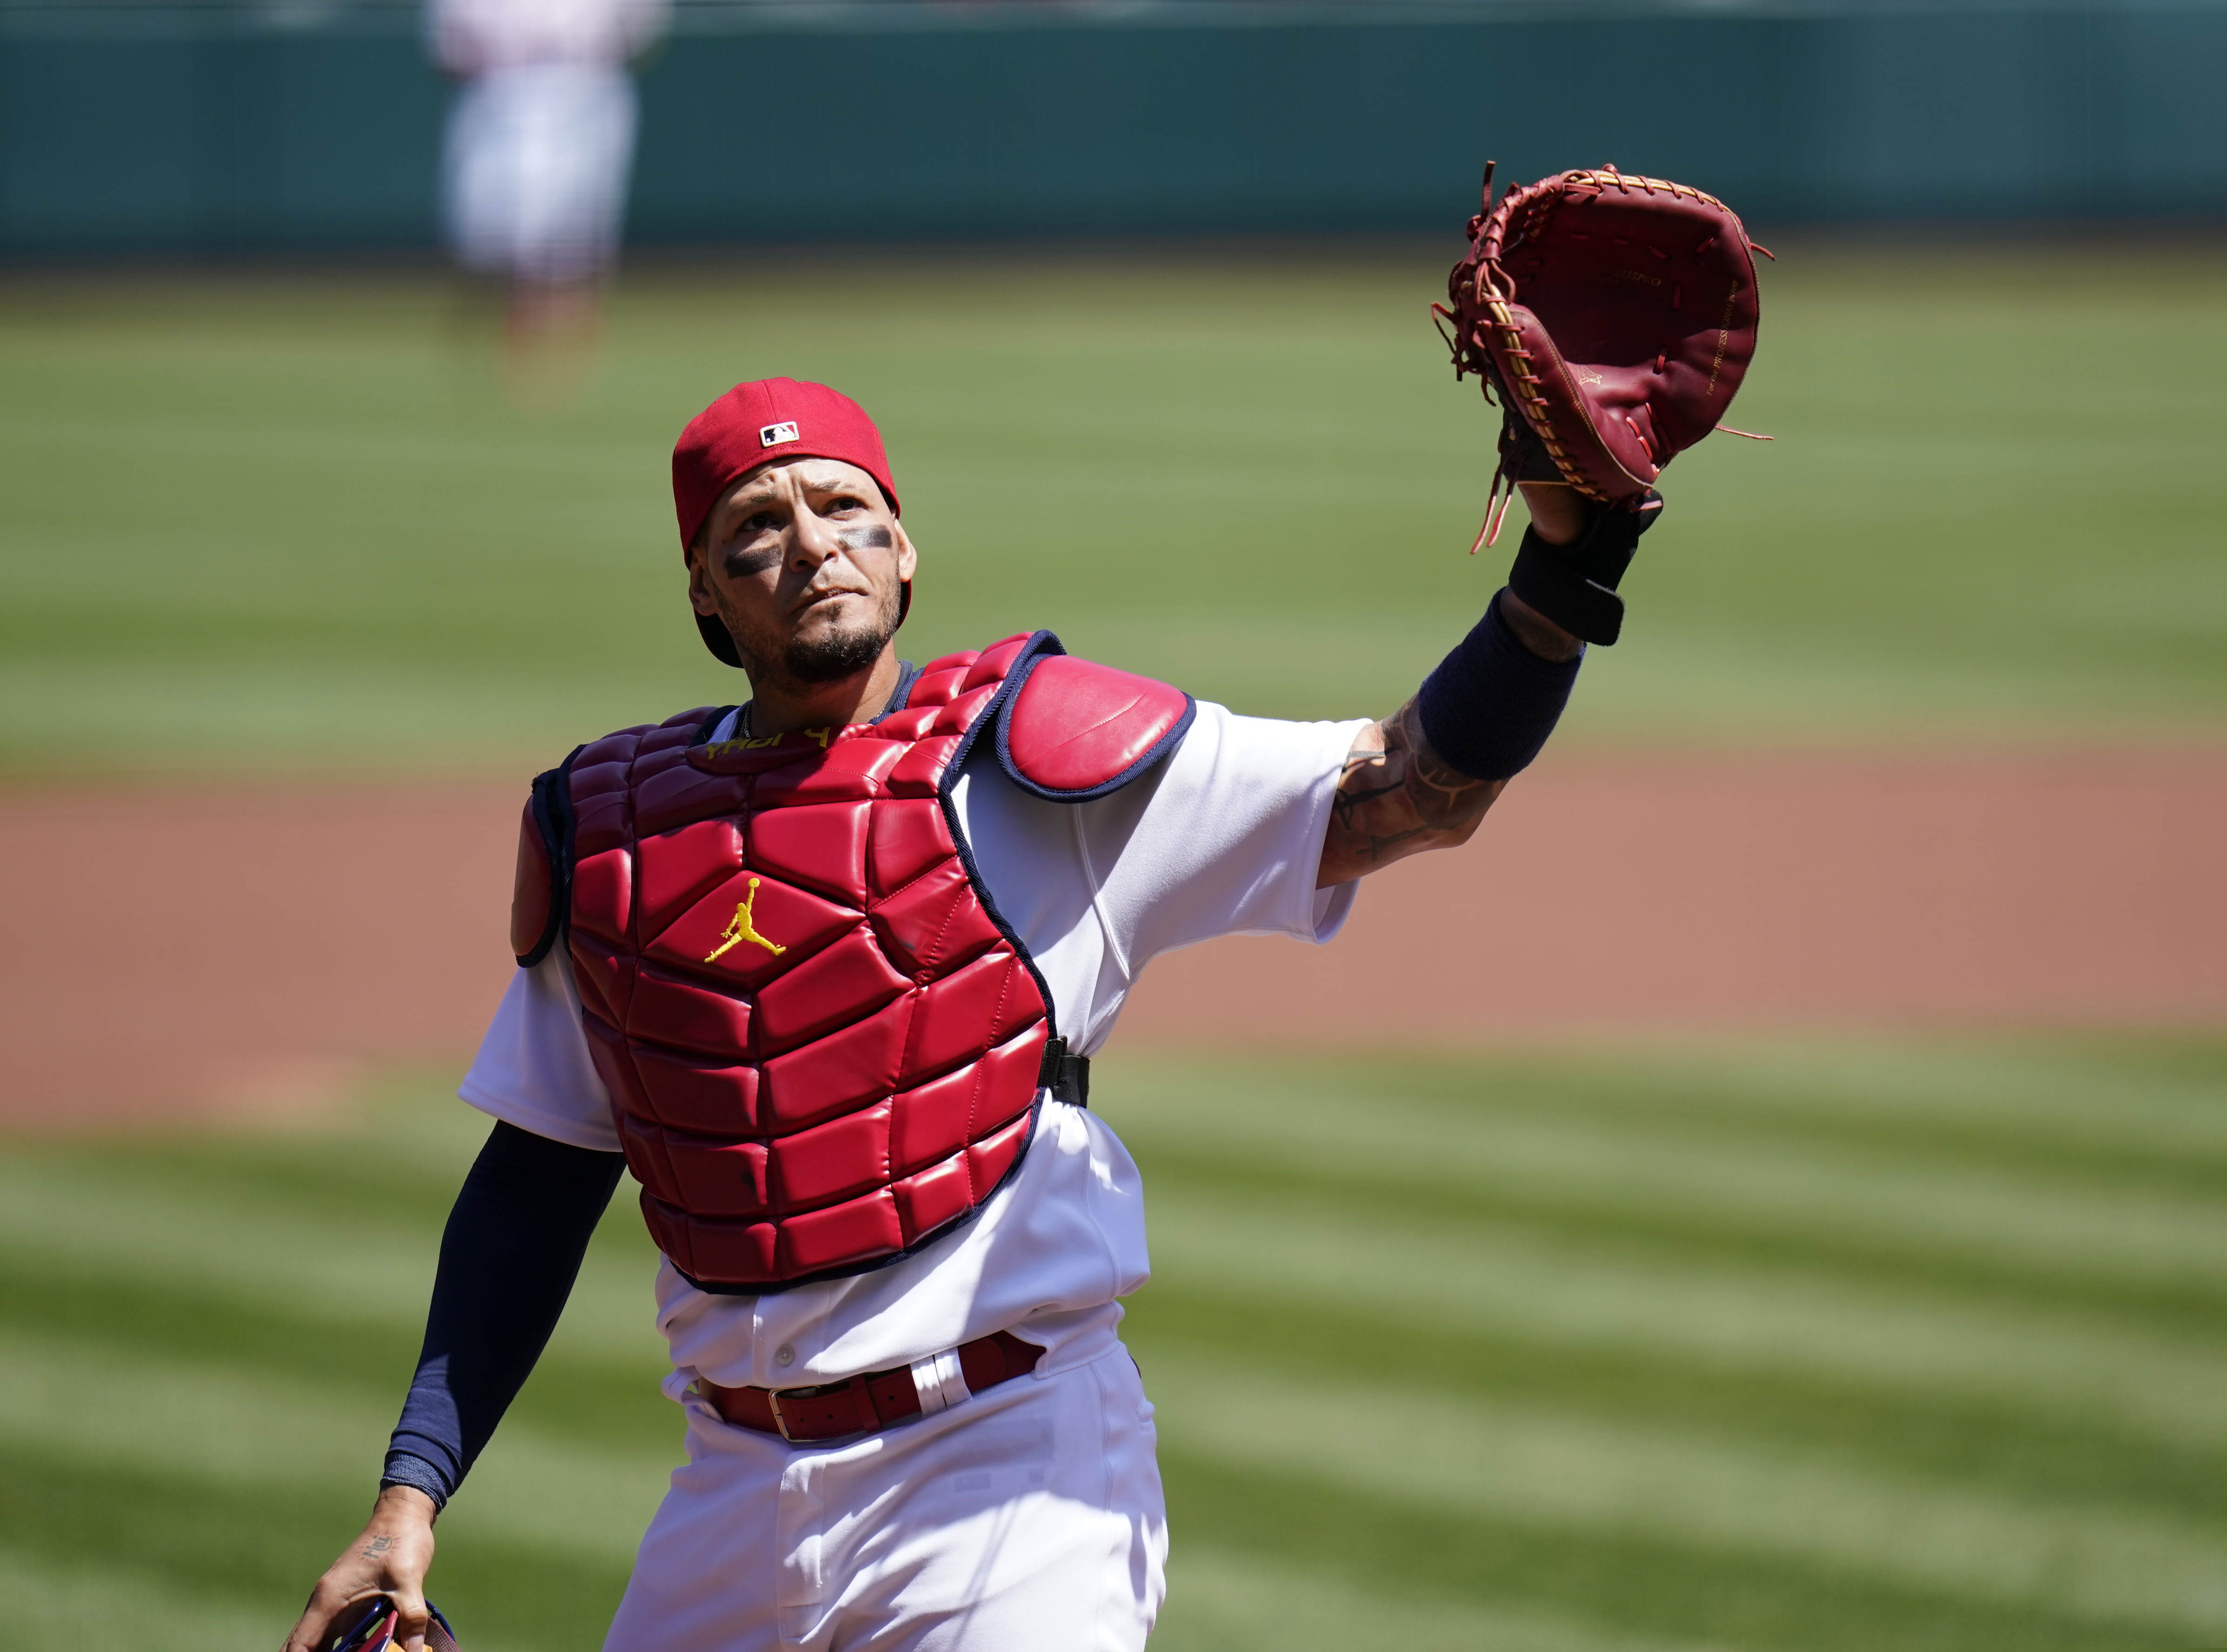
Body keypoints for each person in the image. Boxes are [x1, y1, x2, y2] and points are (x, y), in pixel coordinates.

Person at [281, 374, 1653, 1652]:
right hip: (728, 1492)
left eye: (845, 507)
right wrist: (412, 1492)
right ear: (704, 589)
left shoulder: (1045, 759)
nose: (812, 544)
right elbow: (536, 1177)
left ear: (904, 549)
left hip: (1008, 1465)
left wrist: (1568, 564)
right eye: (757, 524)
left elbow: (1413, 788)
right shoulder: (618, 837)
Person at [429, 0, 667, 374]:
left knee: (571, 233)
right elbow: (448, 45)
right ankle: (498, 330)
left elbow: (641, 26)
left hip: (583, 82)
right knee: (485, 232)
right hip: (497, 85)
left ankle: (566, 343)